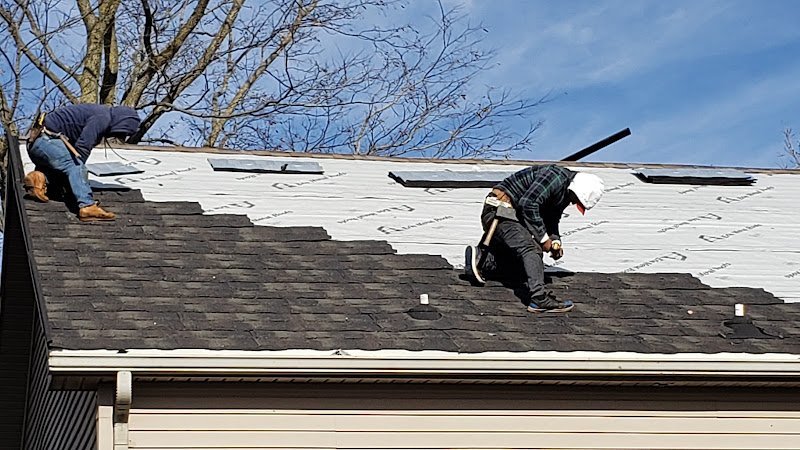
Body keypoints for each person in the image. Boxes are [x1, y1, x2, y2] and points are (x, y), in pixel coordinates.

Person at [464, 164, 604, 313]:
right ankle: (539, 299)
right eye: (576, 200)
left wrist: (555, 240)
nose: (574, 203)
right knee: (531, 249)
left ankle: (483, 260)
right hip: (500, 211)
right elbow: (528, 204)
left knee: (523, 269)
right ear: (574, 190)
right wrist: (543, 239)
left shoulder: (564, 194)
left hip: (513, 216)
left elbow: (552, 219)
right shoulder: (554, 176)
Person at [23, 104, 141, 221]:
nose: (119, 135)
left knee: (65, 174)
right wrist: (78, 174)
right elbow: (82, 147)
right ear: (121, 122)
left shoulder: (100, 114)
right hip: (47, 140)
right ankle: (87, 206)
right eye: (123, 132)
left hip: (38, 144)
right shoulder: (103, 117)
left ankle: (38, 179)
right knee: (76, 166)